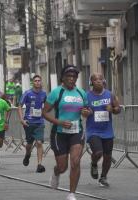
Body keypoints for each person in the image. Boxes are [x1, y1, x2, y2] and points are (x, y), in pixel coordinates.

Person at [42, 65, 89, 200]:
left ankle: (71, 193)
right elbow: (44, 113)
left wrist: (87, 112)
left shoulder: (81, 92)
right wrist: (59, 122)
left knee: (75, 162)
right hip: (59, 133)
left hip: (77, 132)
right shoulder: (56, 92)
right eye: (68, 76)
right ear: (63, 78)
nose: (71, 78)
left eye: (74, 76)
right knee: (63, 167)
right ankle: (56, 172)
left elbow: (87, 110)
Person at [86, 73, 121, 187]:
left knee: (107, 156)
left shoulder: (110, 95)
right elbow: (82, 110)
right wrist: (86, 112)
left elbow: (118, 109)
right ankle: (94, 163)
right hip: (93, 131)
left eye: (100, 79)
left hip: (107, 131)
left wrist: (113, 109)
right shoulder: (87, 96)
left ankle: (103, 177)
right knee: (98, 152)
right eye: (95, 79)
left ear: (104, 81)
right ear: (91, 82)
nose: (98, 81)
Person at [18, 75, 47, 173]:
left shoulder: (44, 94)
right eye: (35, 81)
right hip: (29, 122)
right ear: (33, 83)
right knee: (29, 144)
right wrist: (22, 119)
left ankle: (39, 164)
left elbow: (47, 106)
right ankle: (27, 155)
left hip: (39, 122)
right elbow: (20, 106)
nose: (38, 82)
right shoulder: (27, 93)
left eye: (39, 80)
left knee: (39, 142)